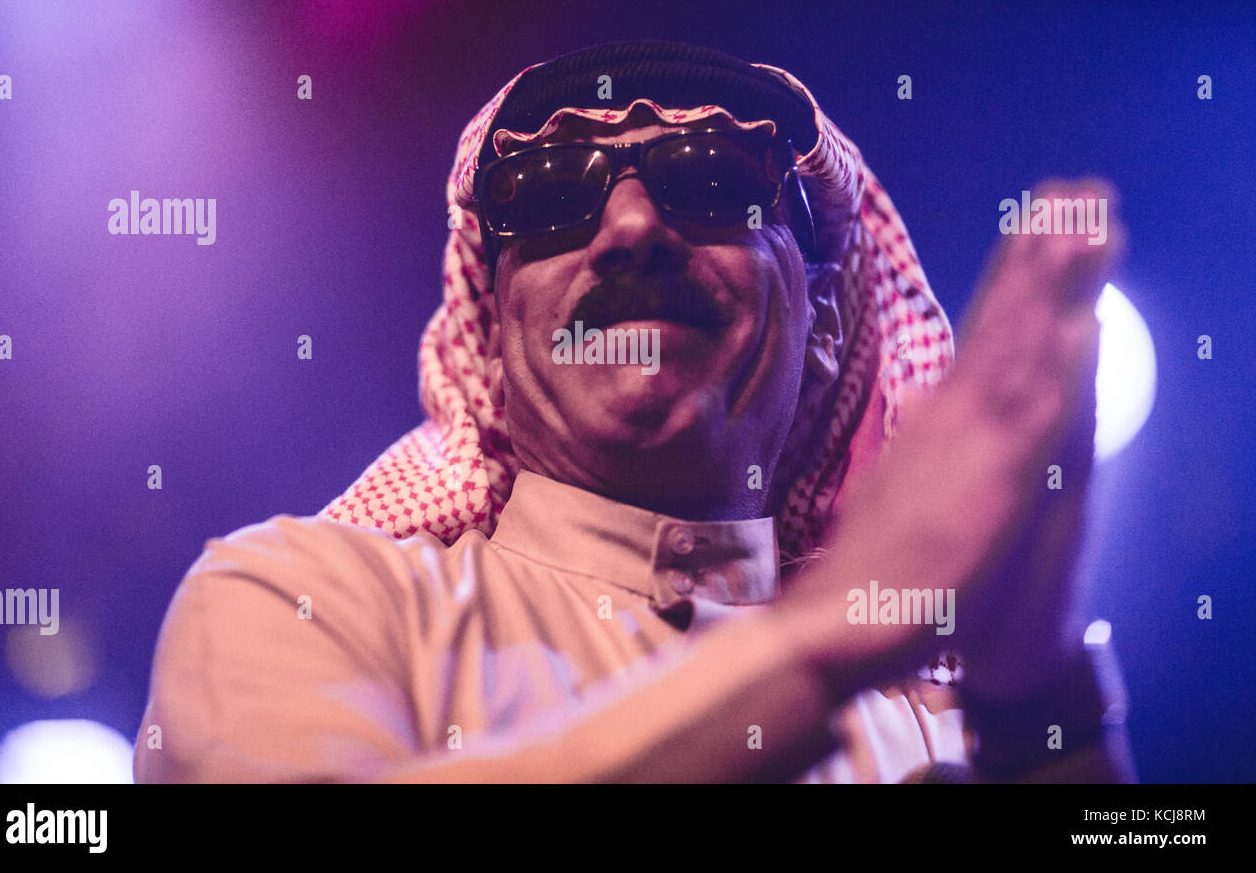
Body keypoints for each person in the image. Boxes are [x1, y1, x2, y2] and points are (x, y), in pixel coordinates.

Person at [135, 40, 1135, 783]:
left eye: (712, 178)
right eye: (549, 191)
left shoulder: (936, 721)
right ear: (490, 326)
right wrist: (816, 640)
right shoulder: (299, 595)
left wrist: (1040, 693)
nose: (630, 226)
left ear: (828, 316)